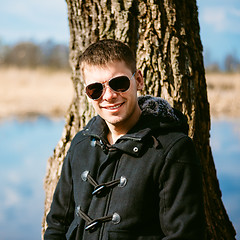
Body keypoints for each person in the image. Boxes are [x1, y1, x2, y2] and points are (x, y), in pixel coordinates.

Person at [44, 39, 205, 240]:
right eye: (96, 89)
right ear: (87, 94)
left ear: (138, 80)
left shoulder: (172, 150)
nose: (109, 96)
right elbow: (57, 225)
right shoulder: (80, 145)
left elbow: (185, 235)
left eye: (118, 83)